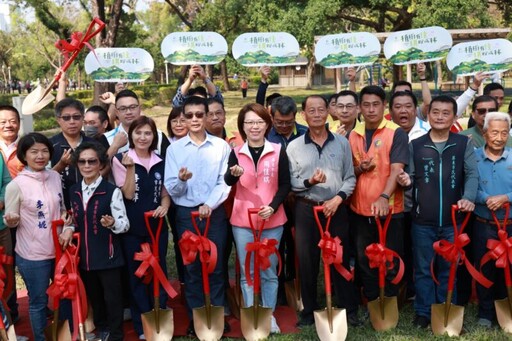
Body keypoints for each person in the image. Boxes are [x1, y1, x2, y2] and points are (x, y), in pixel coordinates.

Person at [397, 95, 478, 329]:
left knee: (449, 268)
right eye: (435, 112)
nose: (440, 117)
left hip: (454, 220)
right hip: (423, 220)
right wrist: (405, 180)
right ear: (428, 114)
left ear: (455, 117)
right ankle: (423, 312)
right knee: (423, 268)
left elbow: (472, 174)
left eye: (446, 113)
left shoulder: (463, 144)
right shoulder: (417, 145)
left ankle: (447, 308)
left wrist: (468, 198)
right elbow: (410, 178)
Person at [287, 95, 360, 328]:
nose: (317, 114)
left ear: (329, 112)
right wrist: (309, 182)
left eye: (321, 109)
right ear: (303, 115)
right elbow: (292, 183)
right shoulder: (294, 147)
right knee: (307, 261)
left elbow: (350, 178)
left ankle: (348, 309)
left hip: (335, 208)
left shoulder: (342, 143)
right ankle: (309, 311)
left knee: (339, 257)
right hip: (306, 209)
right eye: (311, 110)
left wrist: (338, 199)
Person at [164, 96, 231, 336]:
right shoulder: (174, 149)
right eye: (189, 115)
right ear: (183, 117)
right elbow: (172, 188)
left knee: (216, 265)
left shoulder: (222, 146)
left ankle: (217, 315)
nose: (194, 120)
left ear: (207, 116)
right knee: (191, 267)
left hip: (214, 213)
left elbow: (225, 183)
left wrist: (210, 205)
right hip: (186, 214)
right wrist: (181, 181)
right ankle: (196, 318)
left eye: (199, 115)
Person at [224, 103, 290, 333]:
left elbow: (285, 184)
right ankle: (252, 313)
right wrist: (232, 175)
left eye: (259, 122)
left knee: (269, 270)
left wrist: (272, 207)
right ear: (242, 126)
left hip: (272, 221)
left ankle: (268, 315)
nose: (254, 126)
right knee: (247, 270)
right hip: (243, 221)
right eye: (249, 122)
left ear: (267, 124)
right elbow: (227, 181)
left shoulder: (278, 150)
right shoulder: (236, 152)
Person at [4, 132, 73, 341]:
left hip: (60, 249)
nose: (40, 156)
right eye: (34, 152)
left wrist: (67, 223)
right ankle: (42, 338)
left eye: (44, 151)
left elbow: (62, 208)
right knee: (38, 301)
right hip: (33, 255)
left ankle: (66, 335)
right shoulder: (16, 185)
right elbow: (10, 219)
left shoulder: (54, 176)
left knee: (65, 297)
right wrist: (12, 219)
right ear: (24, 155)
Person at [348, 85, 408, 318]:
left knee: (390, 259)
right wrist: (358, 168)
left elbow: (396, 170)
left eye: (376, 104)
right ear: (360, 108)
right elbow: (349, 170)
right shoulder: (353, 133)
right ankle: (372, 301)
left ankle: (391, 302)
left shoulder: (396, 133)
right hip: (360, 210)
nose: (371, 109)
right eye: (366, 105)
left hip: (390, 210)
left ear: (384, 106)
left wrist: (384, 197)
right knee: (365, 260)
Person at [111, 116, 170, 339]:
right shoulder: (121, 159)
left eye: (148, 133)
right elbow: (126, 194)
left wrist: (164, 207)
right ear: (131, 136)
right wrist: (129, 169)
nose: (143, 137)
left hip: (157, 227)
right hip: (132, 228)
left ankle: (160, 314)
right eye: (138, 133)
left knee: (159, 270)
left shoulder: (160, 160)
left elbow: (164, 193)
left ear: (154, 136)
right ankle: (142, 321)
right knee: (136, 274)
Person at [70, 141, 129, 341]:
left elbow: (124, 224)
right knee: (94, 296)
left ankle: (115, 334)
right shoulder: (74, 190)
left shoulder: (112, 191)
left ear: (101, 164)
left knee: (112, 297)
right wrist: (68, 229)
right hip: (85, 255)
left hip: (108, 254)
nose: (87, 166)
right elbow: (74, 220)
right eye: (82, 162)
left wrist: (112, 223)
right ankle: (102, 328)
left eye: (92, 161)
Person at [472, 112, 512, 328]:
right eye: (494, 132)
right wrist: (487, 199)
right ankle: (486, 313)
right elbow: (468, 188)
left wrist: (506, 198)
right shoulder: (474, 157)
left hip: (511, 226)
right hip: (483, 226)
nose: (499, 137)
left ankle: (507, 309)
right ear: (485, 132)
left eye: (504, 133)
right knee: (484, 268)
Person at [389, 90, 430, 300]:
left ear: (415, 110)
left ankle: (415, 289)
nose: (403, 111)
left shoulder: (428, 132)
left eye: (408, 106)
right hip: (392, 204)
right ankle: (398, 289)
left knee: (417, 248)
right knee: (397, 247)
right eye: (398, 107)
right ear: (390, 111)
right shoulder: (385, 134)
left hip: (421, 204)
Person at [50, 98, 96, 210]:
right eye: (66, 118)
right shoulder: (49, 146)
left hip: (91, 203)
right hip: (60, 206)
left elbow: (104, 170)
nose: (72, 122)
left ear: (83, 118)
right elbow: (43, 178)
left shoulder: (94, 144)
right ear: (58, 120)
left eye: (76, 117)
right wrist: (61, 165)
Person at [0, 105, 22, 322]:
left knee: (11, 265)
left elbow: (7, 184)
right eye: (2, 121)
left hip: (21, 217)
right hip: (5, 218)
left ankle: (12, 314)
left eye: (12, 120)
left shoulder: (28, 147)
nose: (8, 125)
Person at [104, 89, 170, 158]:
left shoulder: (158, 136)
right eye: (123, 109)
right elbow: (100, 167)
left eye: (132, 107)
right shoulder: (107, 138)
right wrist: (115, 146)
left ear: (139, 109)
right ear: (117, 112)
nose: (128, 112)